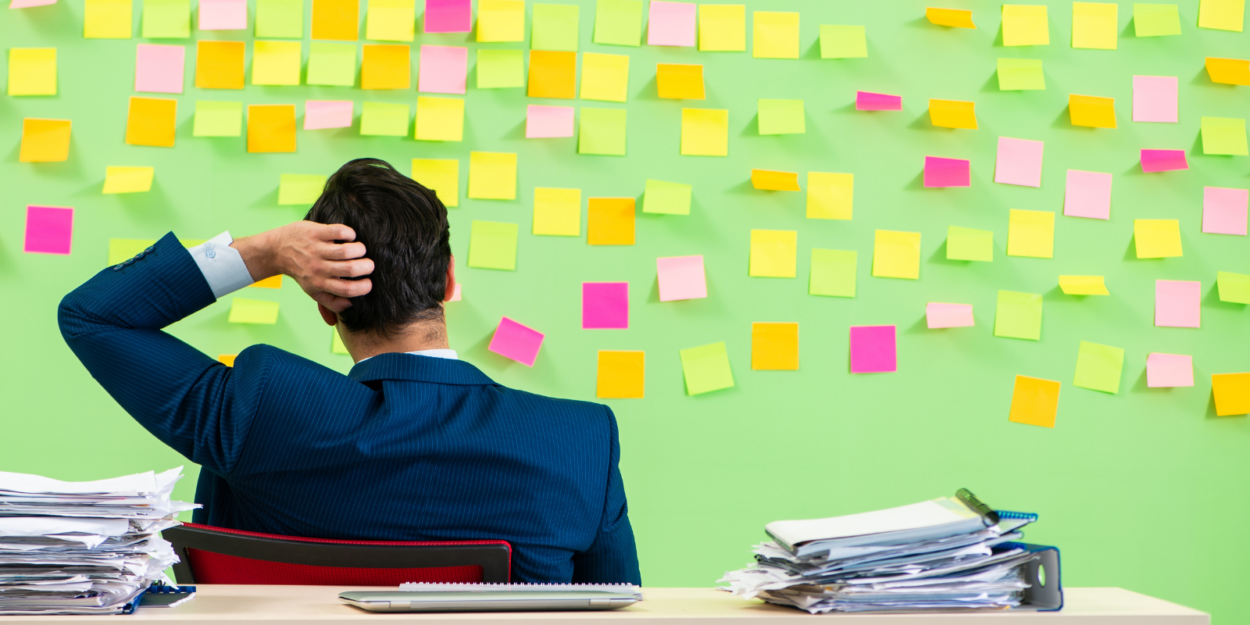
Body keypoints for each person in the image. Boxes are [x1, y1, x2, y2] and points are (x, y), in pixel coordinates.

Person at [58, 158, 640, 584]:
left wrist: (266, 252)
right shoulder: (579, 439)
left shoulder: (260, 411)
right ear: (448, 283)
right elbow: (622, 609)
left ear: (324, 303)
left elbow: (94, 317)